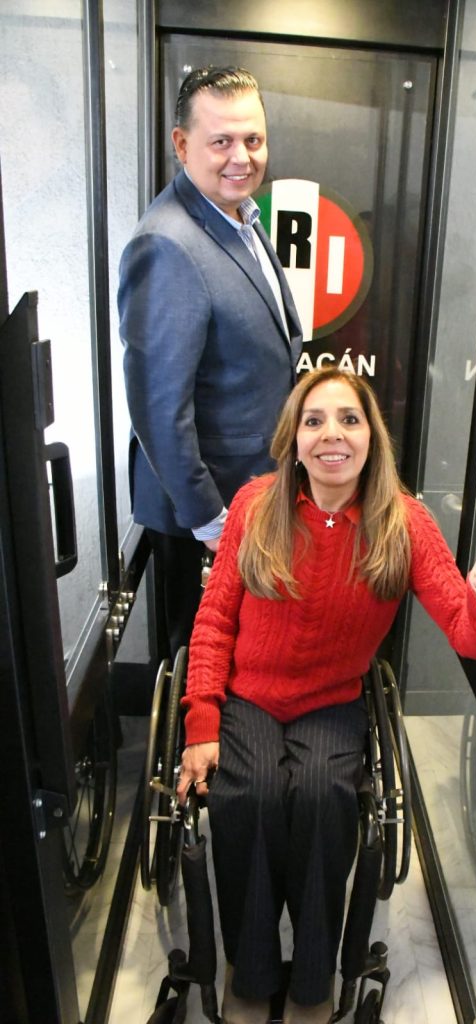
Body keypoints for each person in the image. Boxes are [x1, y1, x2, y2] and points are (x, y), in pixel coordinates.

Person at [177, 367, 476, 1024]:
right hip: (249, 697)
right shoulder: (254, 506)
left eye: (348, 419)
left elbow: (465, 631)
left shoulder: (403, 522)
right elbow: (214, 620)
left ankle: (312, 982)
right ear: (294, 440)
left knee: (323, 799)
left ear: (371, 437)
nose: (331, 433)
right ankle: (249, 972)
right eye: (314, 420)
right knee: (249, 796)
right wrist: (201, 722)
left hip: (332, 701)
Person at [119, 66, 302, 656]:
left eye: (253, 139)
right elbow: (158, 408)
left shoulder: (239, 216)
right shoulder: (167, 243)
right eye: (221, 141)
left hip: (251, 498)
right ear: (182, 144)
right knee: (200, 675)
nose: (241, 158)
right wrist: (213, 523)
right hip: (206, 520)